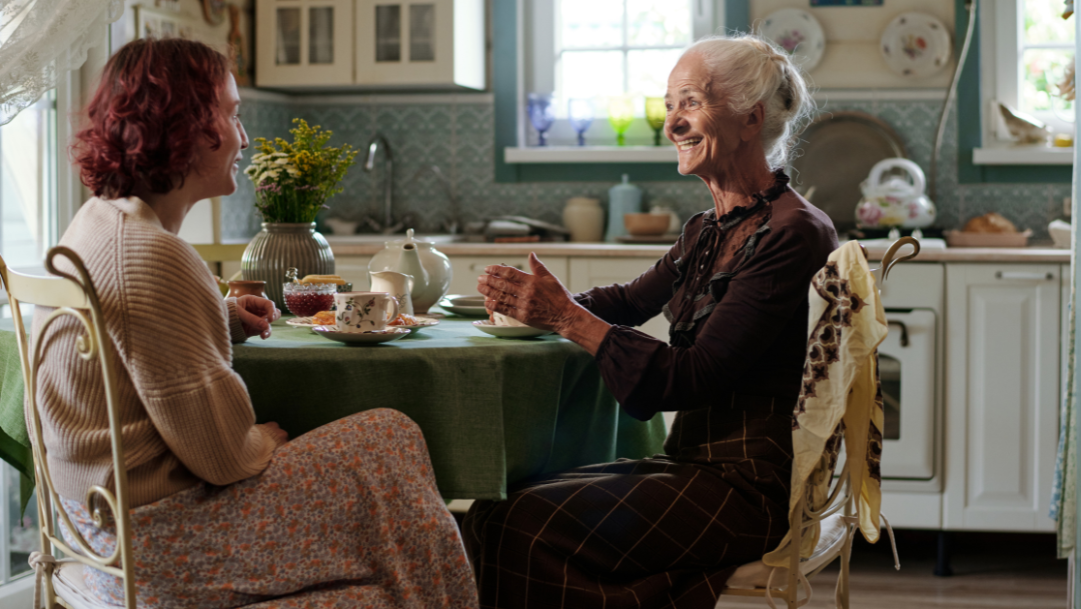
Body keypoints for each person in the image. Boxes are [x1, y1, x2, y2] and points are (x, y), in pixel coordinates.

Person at [37, 38, 477, 609]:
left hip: (91, 530)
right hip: (158, 543)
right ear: (190, 124)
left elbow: (130, 328)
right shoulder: (157, 256)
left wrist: (217, 317)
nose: (243, 138)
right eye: (234, 114)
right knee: (391, 437)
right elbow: (223, 456)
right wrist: (262, 438)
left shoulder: (99, 224)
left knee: (388, 527)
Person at [464, 35, 838, 609]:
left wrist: (564, 316)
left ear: (749, 119)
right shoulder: (708, 227)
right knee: (493, 509)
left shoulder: (793, 233)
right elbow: (626, 301)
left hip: (751, 488)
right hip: (694, 467)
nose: (673, 124)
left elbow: (688, 378)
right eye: (669, 106)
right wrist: (535, 303)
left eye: (689, 102)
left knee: (526, 525)